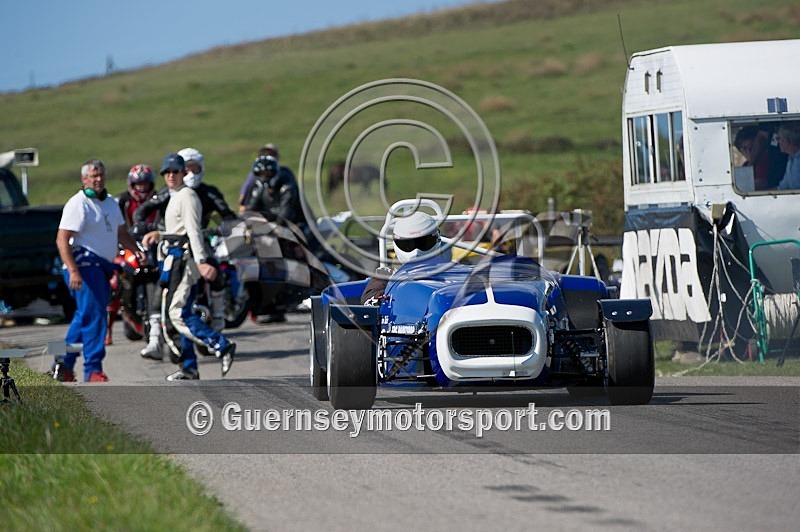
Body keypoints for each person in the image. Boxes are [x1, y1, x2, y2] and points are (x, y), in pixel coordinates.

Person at [141, 153, 235, 380]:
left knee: (177, 313)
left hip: (185, 261)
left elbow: (193, 232)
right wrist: (160, 235)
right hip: (173, 260)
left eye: (175, 171)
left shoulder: (187, 196)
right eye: (167, 172)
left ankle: (221, 345)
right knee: (179, 313)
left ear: (184, 173)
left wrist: (202, 262)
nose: (171, 176)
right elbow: (178, 230)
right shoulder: (175, 196)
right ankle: (188, 367)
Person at [52, 159, 147, 382]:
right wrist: (74, 271)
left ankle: (62, 364)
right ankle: (93, 369)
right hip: (84, 266)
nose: (98, 179)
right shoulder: (78, 203)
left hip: (102, 266)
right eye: (93, 176)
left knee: (83, 316)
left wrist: (136, 250)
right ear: (84, 178)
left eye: (101, 175)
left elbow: (121, 233)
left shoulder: (110, 203)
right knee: (95, 316)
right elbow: (62, 239)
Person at [242, 154, 305, 324]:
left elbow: (286, 215)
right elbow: (250, 210)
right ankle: (271, 302)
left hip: (296, 226)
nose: (264, 178)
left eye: (267, 174)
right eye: (260, 174)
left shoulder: (287, 188)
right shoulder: (259, 189)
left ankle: (293, 287)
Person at [105, 164, 158, 345]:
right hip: (127, 247)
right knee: (114, 282)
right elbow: (114, 226)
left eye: (145, 184)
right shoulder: (122, 201)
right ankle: (107, 330)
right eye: (138, 184)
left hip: (153, 247)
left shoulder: (159, 200)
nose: (141, 188)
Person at [361, 211, 448, 305]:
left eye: (423, 243)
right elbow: (368, 300)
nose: (416, 251)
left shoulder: (450, 270)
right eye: (408, 245)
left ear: (437, 239)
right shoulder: (386, 274)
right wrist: (392, 299)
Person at [237, 143, 296, 213]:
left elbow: (287, 211)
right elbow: (245, 204)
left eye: (268, 173)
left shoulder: (286, 183)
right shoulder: (256, 182)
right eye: (262, 173)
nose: (264, 177)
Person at [734, 125, 785, 190]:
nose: (748, 151)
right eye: (744, 148)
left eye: (751, 147)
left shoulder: (766, 160)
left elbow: (761, 184)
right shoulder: (745, 166)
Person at [776, 122, 800, 191]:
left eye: (778, 138)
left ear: (786, 141)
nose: (778, 142)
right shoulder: (790, 160)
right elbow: (782, 188)